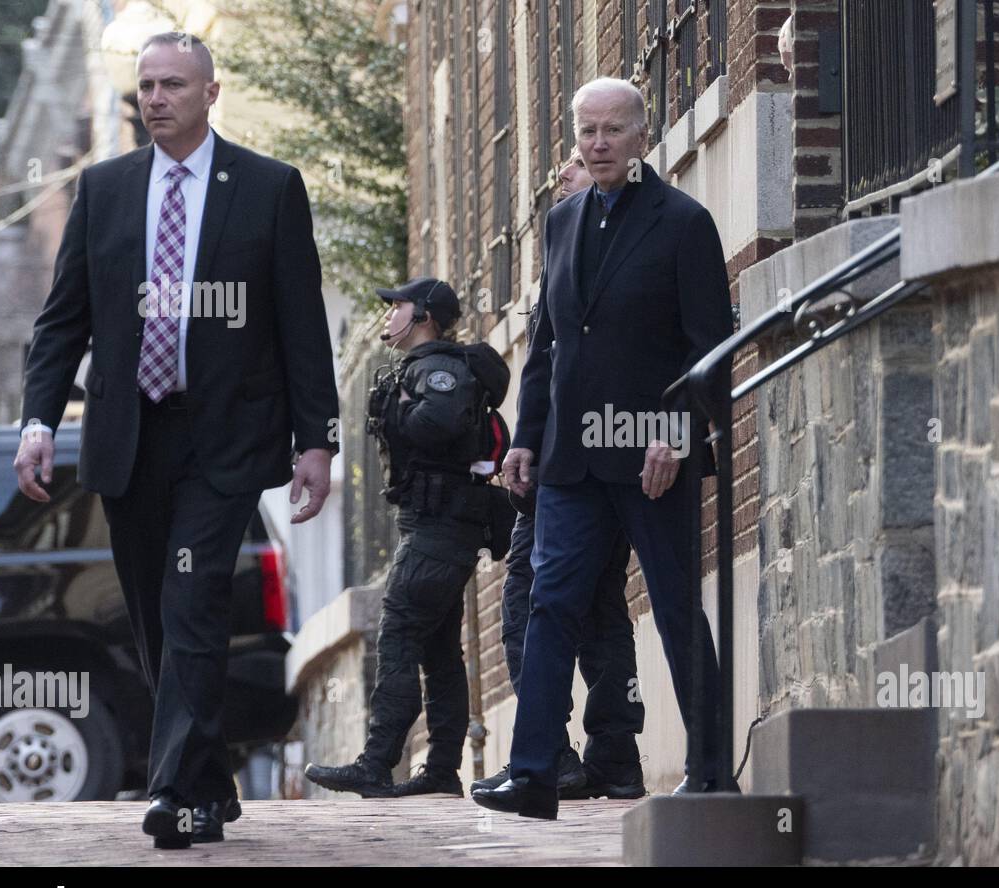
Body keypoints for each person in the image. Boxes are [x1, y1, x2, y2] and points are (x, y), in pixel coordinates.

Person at [15, 33, 339, 848]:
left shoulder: (267, 188)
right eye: (146, 86)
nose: (155, 98)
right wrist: (37, 421)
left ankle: (169, 792)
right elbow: (63, 321)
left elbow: (302, 324)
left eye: (172, 85)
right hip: (130, 437)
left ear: (210, 93)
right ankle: (207, 780)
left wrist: (316, 440)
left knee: (192, 600)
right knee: (157, 617)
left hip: (222, 440)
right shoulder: (105, 189)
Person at [473, 77, 735, 821]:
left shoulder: (684, 223)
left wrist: (677, 432)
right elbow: (548, 345)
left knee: (678, 608)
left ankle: (712, 771)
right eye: (586, 131)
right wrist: (525, 439)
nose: (597, 143)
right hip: (572, 464)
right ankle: (533, 774)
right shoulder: (561, 224)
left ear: (641, 135)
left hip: (653, 458)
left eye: (612, 130)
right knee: (551, 606)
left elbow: (710, 350)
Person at [473, 146, 646, 801]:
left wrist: (533, 451)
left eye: (573, 161)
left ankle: (555, 756)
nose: (565, 174)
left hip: (575, 469)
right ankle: (615, 758)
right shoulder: (591, 234)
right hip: (596, 461)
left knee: (528, 607)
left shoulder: (591, 239)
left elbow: (557, 358)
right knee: (603, 614)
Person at [304, 278, 510, 799]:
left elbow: (436, 424)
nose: (388, 316)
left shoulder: (438, 370)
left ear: (423, 316)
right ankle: (441, 769)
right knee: (440, 649)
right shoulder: (422, 369)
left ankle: (376, 763)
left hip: (440, 528)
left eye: (396, 307)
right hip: (433, 526)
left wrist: (397, 404)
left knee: (397, 635)